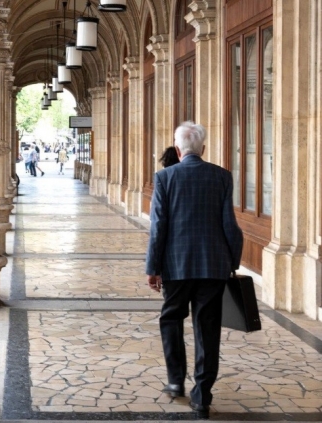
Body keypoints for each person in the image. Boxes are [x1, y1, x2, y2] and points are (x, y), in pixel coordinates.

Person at [145, 121, 243, 419]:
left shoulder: (164, 177)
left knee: (171, 318)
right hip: (213, 265)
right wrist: (232, 261)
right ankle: (202, 395)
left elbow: (158, 227)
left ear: (178, 149)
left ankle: (176, 380)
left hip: (175, 265)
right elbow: (230, 226)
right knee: (207, 326)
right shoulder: (222, 177)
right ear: (203, 148)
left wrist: (153, 267)